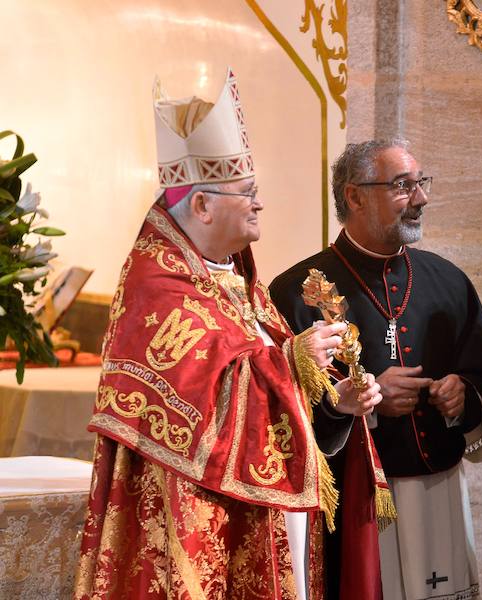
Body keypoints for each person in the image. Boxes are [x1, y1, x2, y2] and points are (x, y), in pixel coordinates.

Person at [74, 68, 383, 600]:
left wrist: (334, 405)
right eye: (247, 193)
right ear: (201, 204)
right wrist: (291, 359)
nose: (260, 203)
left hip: (262, 509)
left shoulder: (236, 279)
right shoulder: (157, 285)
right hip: (194, 517)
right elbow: (198, 396)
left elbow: (271, 401)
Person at [270, 138, 482, 600]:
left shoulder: (447, 280)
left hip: (440, 490)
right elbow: (278, 415)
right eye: (402, 186)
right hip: (354, 503)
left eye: (421, 184)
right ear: (354, 196)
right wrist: (366, 405)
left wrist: (465, 394)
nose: (421, 199)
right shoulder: (296, 291)